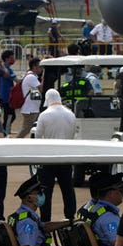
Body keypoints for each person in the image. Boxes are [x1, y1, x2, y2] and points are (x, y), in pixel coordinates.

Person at [35, 88, 78, 220]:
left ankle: (45, 219)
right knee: (68, 189)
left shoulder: (44, 115)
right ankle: (70, 216)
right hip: (65, 157)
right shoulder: (71, 114)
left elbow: (38, 136)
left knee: (46, 191)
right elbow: (72, 134)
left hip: (49, 158)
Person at [77, 171, 123, 246]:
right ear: (110, 194)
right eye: (120, 189)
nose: (122, 193)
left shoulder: (87, 208)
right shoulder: (107, 217)